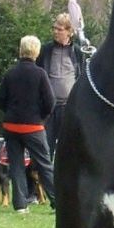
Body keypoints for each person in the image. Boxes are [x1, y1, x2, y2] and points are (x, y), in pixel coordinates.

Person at [0, 35, 56, 213]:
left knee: (16, 165)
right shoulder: (40, 74)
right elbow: (50, 102)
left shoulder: (10, 73)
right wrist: (41, 117)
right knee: (44, 164)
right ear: (36, 52)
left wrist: (10, 113)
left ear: (20, 50)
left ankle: (20, 205)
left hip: (11, 125)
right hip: (33, 126)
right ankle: (57, 202)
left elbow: (0, 100)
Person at [36, 13, 84, 158]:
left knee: (69, 149)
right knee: (45, 149)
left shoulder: (78, 52)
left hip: (68, 108)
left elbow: (82, 78)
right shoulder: (45, 50)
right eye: (54, 28)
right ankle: (44, 173)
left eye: (60, 29)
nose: (55, 31)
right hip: (48, 109)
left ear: (69, 32)